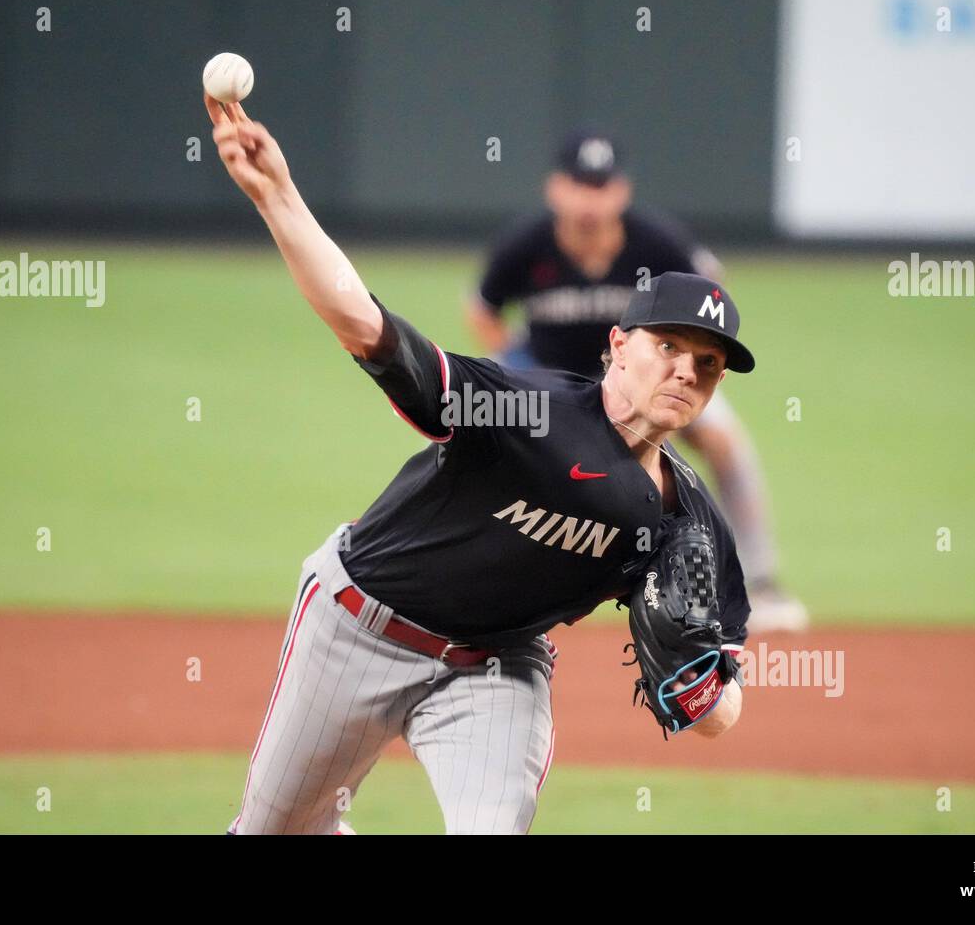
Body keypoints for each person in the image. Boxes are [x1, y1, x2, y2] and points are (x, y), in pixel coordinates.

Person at [207, 93, 749, 835]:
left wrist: (700, 687)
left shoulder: (685, 517)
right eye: (670, 349)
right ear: (619, 346)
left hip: (496, 668)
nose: (688, 372)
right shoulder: (524, 408)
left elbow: (721, 709)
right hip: (357, 625)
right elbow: (366, 326)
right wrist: (278, 195)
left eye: (709, 365)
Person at [467, 132, 807, 631]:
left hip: (653, 373)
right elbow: (483, 308)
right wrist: (517, 361)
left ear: (621, 192)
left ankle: (762, 582)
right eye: (579, 185)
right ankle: (493, 579)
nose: (590, 200)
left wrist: (683, 361)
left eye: (601, 186)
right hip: (563, 383)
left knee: (723, 440)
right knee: (505, 450)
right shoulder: (525, 245)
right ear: (555, 189)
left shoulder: (656, 241)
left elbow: (712, 295)